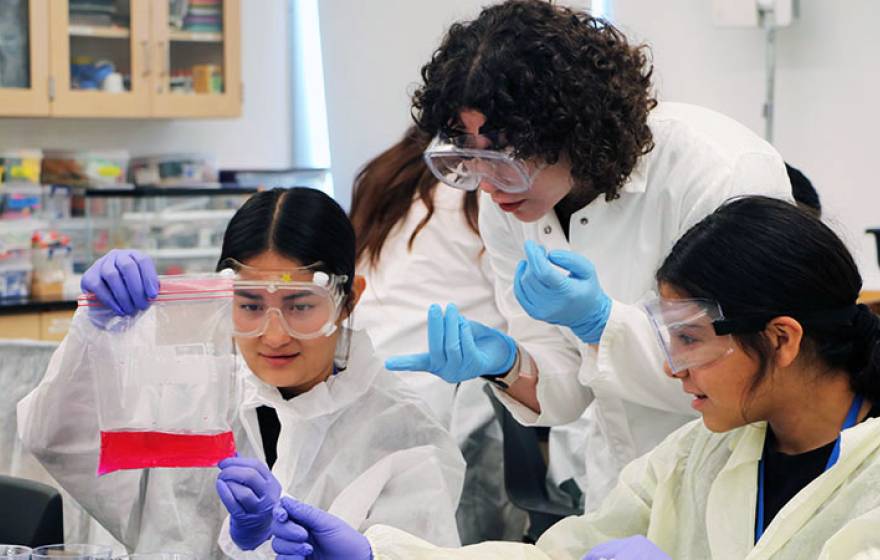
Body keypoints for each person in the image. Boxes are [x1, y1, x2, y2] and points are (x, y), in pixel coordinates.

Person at [262, 196, 880, 559]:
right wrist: (379, 554)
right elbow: (557, 557)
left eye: (689, 339)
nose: (671, 366)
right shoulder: (698, 455)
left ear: (781, 338)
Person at [384, 0, 794, 510]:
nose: (486, 183)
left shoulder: (716, 173)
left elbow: (747, 371)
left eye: (503, 155)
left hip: (736, 474)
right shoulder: (509, 207)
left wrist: (601, 324)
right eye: (469, 154)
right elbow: (565, 392)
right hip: (619, 483)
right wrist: (510, 363)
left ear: (572, 124)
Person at [17, 187, 465, 558]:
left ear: (349, 300)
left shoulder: (406, 435)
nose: (273, 336)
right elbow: (57, 437)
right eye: (250, 305)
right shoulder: (192, 400)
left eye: (301, 306)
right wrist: (94, 329)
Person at [349, 125, 526, 542]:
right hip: (449, 415)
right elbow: (526, 320)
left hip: (367, 397)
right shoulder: (482, 196)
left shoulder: (384, 175)